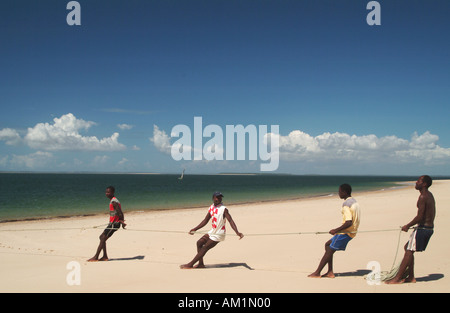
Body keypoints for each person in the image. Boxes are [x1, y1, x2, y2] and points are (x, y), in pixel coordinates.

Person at [386, 175, 435, 284]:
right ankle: (411, 277)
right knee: (407, 248)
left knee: (409, 250)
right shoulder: (429, 195)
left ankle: (397, 278)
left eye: (419, 181)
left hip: (423, 229)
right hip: (427, 228)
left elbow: (420, 216)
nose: (416, 182)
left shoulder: (423, 196)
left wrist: (407, 226)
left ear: (424, 184)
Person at [180, 191, 244, 269]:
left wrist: (237, 232)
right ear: (213, 198)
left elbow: (230, 220)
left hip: (219, 234)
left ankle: (190, 264)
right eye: (217, 197)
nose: (219, 199)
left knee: (205, 248)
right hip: (213, 231)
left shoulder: (224, 209)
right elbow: (205, 220)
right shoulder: (211, 207)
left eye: (220, 197)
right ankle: (201, 264)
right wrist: (195, 229)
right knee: (199, 243)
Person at [308, 183, 361, 278]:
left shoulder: (346, 205)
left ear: (344, 192)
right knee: (328, 245)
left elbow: (348, 222)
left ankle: (317, 272)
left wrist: (335, 230)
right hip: (351, 231)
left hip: (346, 232)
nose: (338, 193)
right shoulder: (354, 201)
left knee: (330, 250)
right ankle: (330, 272)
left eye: (340, 192)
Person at [88, 186, 126, 262]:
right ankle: (105, 256)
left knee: (102, 238)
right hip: (112, 223)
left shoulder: (114, 201)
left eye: (108, 192)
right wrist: (121, 221)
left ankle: (96, 257)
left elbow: (120, 212)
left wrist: (121, 221)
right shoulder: (113, 200)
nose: (107, 194)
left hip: (114, 224)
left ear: (112, 193)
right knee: (102, 237)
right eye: (106, 192)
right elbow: (118, 212)